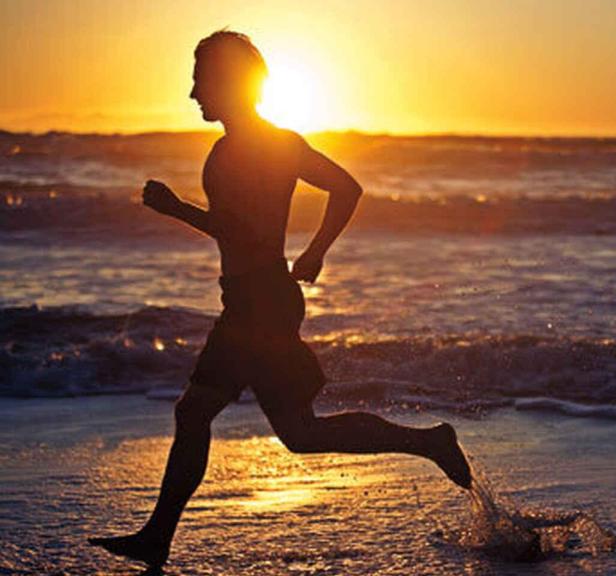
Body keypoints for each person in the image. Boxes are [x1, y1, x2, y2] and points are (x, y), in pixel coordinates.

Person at [88, 30, 471, 569]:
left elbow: (245, 233)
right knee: (289, 431)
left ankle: (157, 538)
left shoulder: (235, 152)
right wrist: (313, 253)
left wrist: (177, 210)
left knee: (207, 414)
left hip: (258, 304)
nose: (194, 92)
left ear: (227, 82)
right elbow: (347, 189)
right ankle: (429, 442)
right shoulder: (276, 142)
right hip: (260, 298)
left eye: (200, 79)